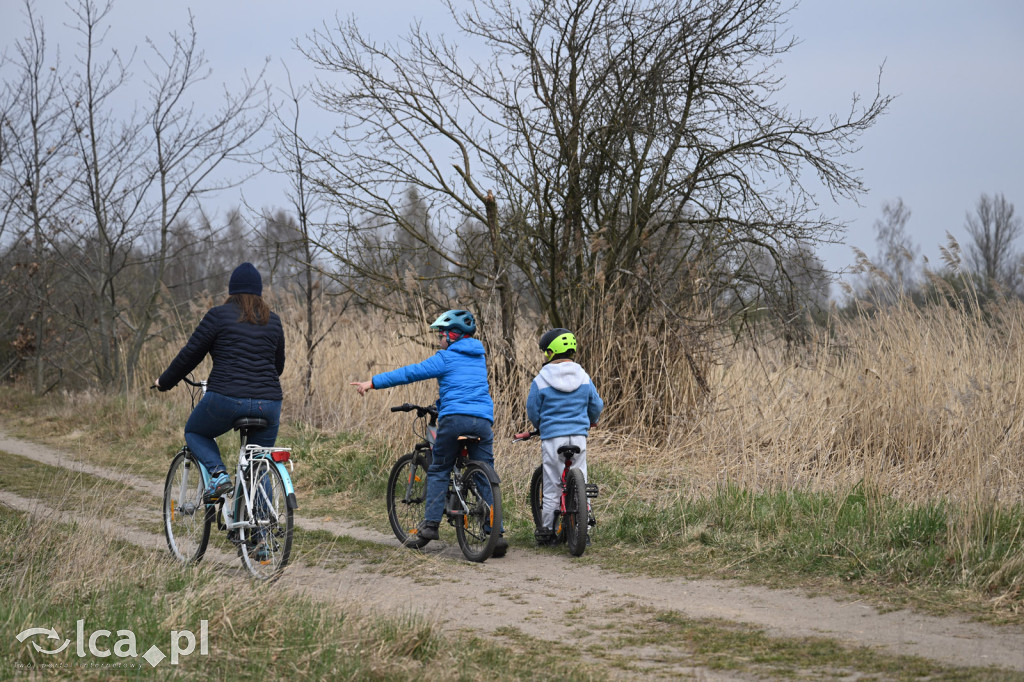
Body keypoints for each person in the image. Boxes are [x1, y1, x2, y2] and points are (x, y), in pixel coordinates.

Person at [350, 309, 507, 557]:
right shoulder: (479, 357)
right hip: (483, 422)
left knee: (439, 468)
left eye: (441, 335)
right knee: (484, 472)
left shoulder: (445, 358)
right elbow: (466, 387)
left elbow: (409, 373)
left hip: (454, 420)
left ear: (452, 336)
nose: (439, 340)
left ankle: (430, 525)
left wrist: (372, 382)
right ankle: (495, 533)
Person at [154, 262, 286, 502]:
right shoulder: (273, 321)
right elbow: (278, 367)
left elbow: (189, 355)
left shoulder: (217, 316)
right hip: (269, 404)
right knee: (258, 462)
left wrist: (165, 381)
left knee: (195, 431)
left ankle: (218, 475)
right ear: (259, 291)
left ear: (231, 290)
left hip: (226, 398)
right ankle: (263, 525)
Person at [526, 328, 604, 545]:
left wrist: (539, 425)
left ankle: (548, 531)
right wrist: (592, 419)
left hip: (553, 438)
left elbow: (533, 409)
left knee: (552, 485)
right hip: (578, 436)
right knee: (581, 482)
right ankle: (583, 530)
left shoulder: (541, 379)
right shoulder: (583, 376)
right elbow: (596, 405)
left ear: (550, 352)